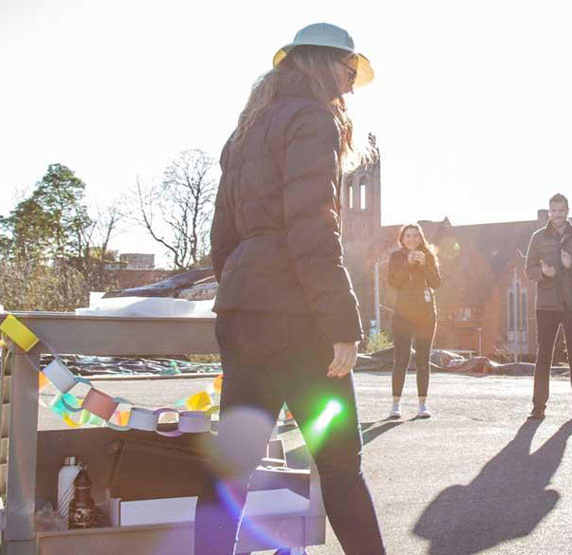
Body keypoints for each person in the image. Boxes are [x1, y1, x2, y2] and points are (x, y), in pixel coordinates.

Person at [198, 22, 386, 555]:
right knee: (341, 467)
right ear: (325, 65)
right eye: (349, 72)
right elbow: (312, 229)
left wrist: (239, 292)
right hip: (298, 319)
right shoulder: (313, 120)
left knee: (230, 468)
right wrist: (341, 324)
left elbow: (222, 237)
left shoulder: (246, 130)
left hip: (243, 312)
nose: (351, 86)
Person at [524, 193, 572, 420]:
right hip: (546, 305)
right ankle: (538, 407)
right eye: (553, 211)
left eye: (561, 210)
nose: (557, 214)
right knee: (544, 355)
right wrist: (543, 273)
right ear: (549, 212)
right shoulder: (538, 238)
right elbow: (529, 270)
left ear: (568, 211)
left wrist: (571, 265)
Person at [386, 223, 441, 419]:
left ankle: (422, 404)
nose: (412, 239)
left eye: (415, 236)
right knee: (401, 359)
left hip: (426, 315)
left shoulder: (428, 256)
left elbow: (436, 283)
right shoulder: (396, 257)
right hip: (402, 314)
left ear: (420, 238)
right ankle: (395, 405)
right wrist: (407, 264)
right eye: (408, 236)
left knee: (423, 360)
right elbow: (394, 282)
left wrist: (425, 264)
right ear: (402, 238)